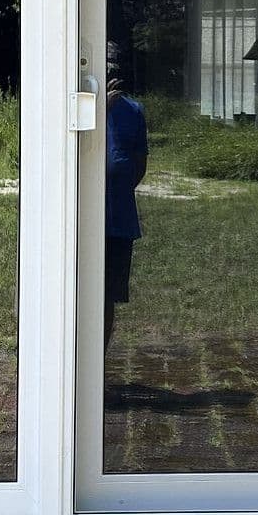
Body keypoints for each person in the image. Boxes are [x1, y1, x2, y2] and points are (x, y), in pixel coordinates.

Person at [104, 47, 148, 353]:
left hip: (118, 220)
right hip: (79, 220)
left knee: (107, 296)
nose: (112, 78)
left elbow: (139, 165)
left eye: (116, 71)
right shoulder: (83, 109)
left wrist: (117, 186)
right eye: (107, 71)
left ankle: (98, 365)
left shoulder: (133, 111)